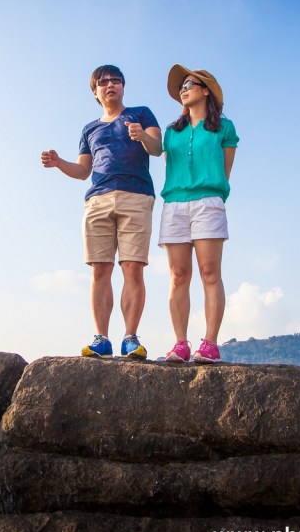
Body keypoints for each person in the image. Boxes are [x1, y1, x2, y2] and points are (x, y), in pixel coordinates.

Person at [41, 65, 162, 360]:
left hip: (136, 195)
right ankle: (101, 339)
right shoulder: (89, 129)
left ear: (123, 87)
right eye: (103, 82)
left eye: (116, 80)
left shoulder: (141, 114)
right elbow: (83, 170)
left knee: (132, 267)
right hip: (97, 199)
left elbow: (157, 148)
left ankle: (131, 338)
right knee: (99, 270)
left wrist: (142, 137)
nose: (110, 85)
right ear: (95, 92)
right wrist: (59, 163)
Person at [159, 65, 239, 364]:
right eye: (181, 86)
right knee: (178, 275)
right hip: (174, 204)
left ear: (205, 90)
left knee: (209, 272)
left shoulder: (224, 128)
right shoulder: (172, 132)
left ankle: (210, 343)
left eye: (189, 84)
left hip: (208, 200)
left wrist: (216, 193)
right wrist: (141, 136)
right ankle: (180, 344)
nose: (183, 88)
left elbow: (226, 170)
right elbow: (157, 151)